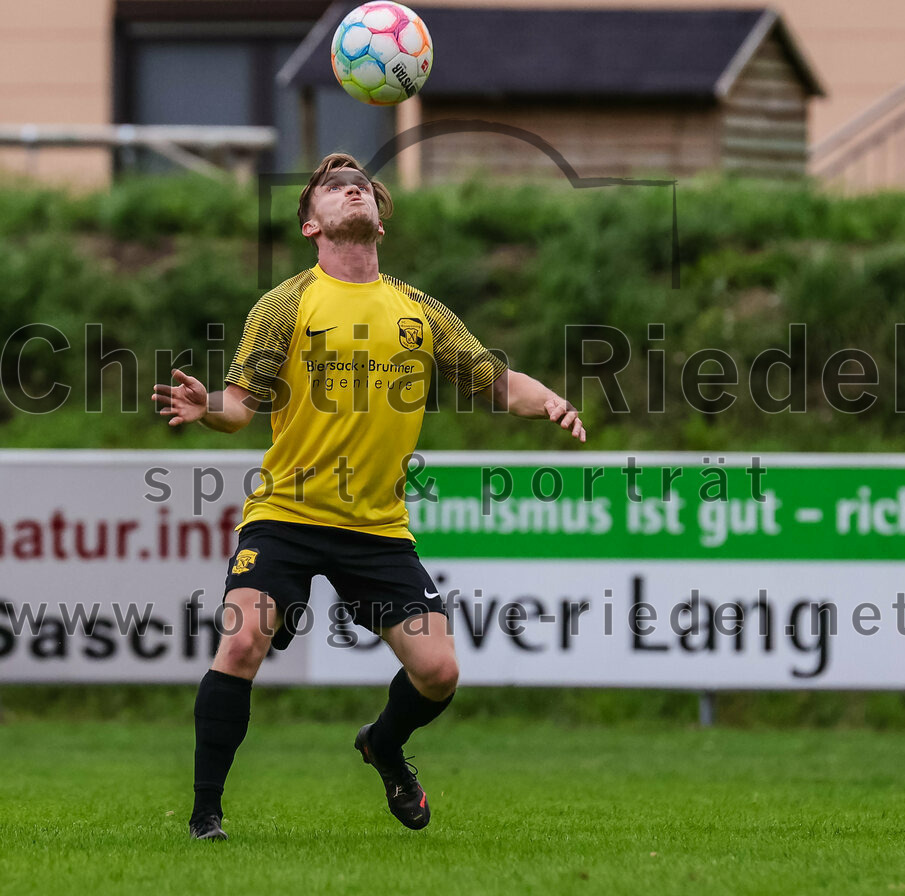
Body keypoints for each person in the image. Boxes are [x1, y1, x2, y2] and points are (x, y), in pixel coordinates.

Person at [152, 153, 586, 841]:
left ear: (379, 223)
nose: (352, 191)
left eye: (363, 189)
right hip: (287, 516)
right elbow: (239, 407)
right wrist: (205, 404)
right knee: (240, 645)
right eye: (334, 188)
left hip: (376, 527)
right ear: (310, 225)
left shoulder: (416, 311)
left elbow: (497, 381)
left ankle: (382, 745)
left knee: (439, 672)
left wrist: (550, 401)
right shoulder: (286, 304)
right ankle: (206, 814)